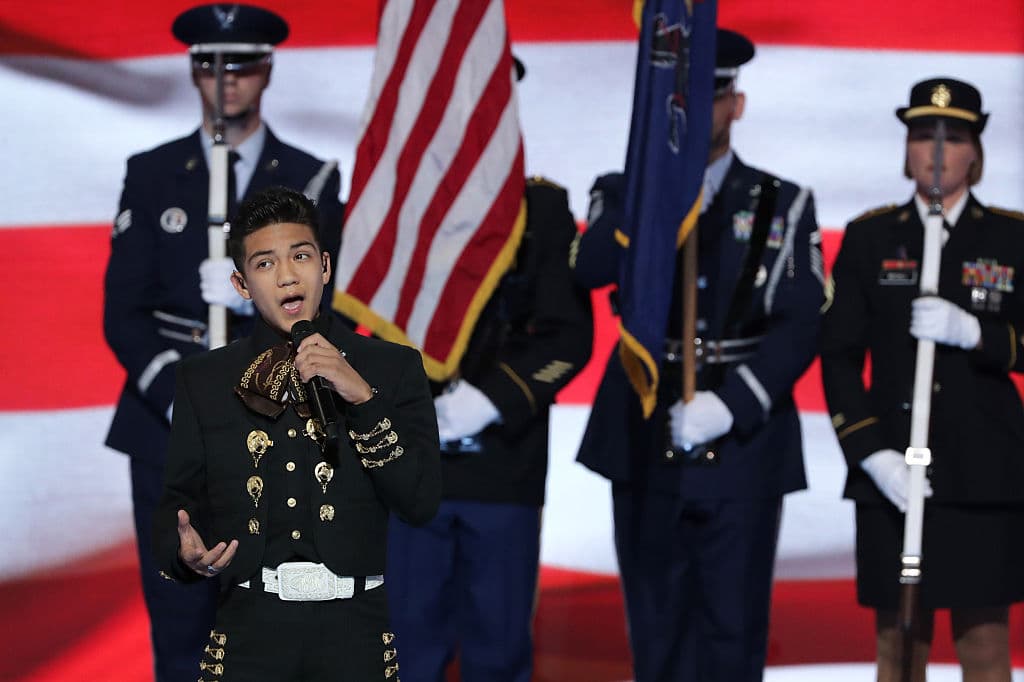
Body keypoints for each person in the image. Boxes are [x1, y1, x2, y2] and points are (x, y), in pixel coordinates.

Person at [573, 28, 824, 682]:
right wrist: (654, 191)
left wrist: (733, 404)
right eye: (680, 97)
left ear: (735, 105)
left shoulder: (782, 202)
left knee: (732, 638)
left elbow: (801, 322)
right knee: (656, 635)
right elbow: (589, 266)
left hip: (742, 445)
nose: (695, 111)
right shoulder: (621, 189)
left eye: (711, 97)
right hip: (644, 430)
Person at [102, 4, 344, 680]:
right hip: (168, 429)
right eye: (210, 65)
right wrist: (178, 400)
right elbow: (123, 312)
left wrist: (253, 295)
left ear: (267, 71)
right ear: (192, 73)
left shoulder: (311, 179)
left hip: (275, 430)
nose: (225, 79)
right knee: (180, 627)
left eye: (241, 65)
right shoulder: (153, 174)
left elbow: (331, 312)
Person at [153, 185, 440, 681]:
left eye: (300, 256)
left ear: (325, 266)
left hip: (356, 634)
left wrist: (362, 398)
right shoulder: (204, 380)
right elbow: (176, 504)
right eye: (265, 264)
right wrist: (184, 555)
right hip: (248, 633)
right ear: (242, 284)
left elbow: (420, 502)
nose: (287, 275)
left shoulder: (391, 368)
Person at [383, 60, 594, 682]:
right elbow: (345, 318)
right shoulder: (390, 202)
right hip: (408, 461)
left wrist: (491, 399)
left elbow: (570, 337)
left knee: (498, 656)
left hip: (504, 464)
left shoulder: (542, 209)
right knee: (405, 655)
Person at [821, 77, 1024, 682]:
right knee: (899, 645)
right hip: (892, 470)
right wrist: (870, 453)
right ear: (906, 150)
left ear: (975, 152)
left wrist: (979, 334)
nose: (935, 152)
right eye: (921, 136)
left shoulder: (1012, 238)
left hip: (982, 473)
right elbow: (837, 355)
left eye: (953, 138)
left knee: (984, 644)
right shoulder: (871, 237)